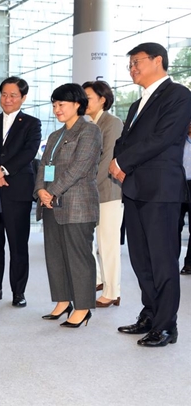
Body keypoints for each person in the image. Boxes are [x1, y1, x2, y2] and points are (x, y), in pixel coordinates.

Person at [110, 42, 191, 347]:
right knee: (140, 259)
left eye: (137, 62)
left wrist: (122, 163)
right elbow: (125, 139)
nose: (132, 68)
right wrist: (118, 160)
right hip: (134, 188)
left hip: (160, 190)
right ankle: (151, 313)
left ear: (158, 61)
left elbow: (163, 138)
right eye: (129, 64)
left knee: (163, 260)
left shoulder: (179, 95)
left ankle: (167, 326)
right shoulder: (136, 103)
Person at [35, 84, 101, 329]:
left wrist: (50, 191)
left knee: (78, 257)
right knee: (55, 256)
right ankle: (63, 301)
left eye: (61, 104)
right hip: (51, 204)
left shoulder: (89, 131)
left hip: (77, 205)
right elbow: (43, 166)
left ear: (77, 104)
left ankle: (83, 308)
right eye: (54, 105)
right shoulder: (55, 135)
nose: (56, 110)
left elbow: (79, 168)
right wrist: (40, 190)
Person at [0, 76, 41, 307]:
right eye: (4, 94)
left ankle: (18, 292)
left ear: (23, 98)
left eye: (13, 95)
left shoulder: (32, 123)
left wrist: (3, 170)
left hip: (16, 190)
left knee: (18, 244)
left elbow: (29, 152)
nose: (7, 99)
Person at [82, 80, 124, 307]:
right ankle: (99, 280)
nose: (84, 101)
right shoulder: (89, 124)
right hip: (91, 192)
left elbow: (106, 162)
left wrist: (84, 188)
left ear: (102, 100)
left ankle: (112, 291)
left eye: (88, 97)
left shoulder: (112, 123)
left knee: (108, 244)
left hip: (108, 191)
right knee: (92, 241)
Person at [179, 122, 191, 275]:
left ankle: (189, 263)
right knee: (175, 225)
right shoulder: (178, 140)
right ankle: (171, 260)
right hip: (179, 184)